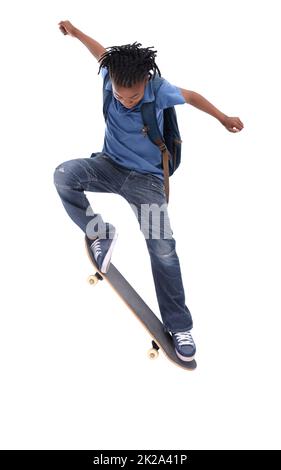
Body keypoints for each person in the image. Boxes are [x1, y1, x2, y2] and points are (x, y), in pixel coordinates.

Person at [54, 21, 244, 363]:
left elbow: (192, 96)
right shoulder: (110, 75)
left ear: (147, 84)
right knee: (65, 175)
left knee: (163, 248)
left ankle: (180, 326)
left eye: (135, 96)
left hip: (147, 182)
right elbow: (100, 53)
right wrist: (77, 33)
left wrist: (222, 117)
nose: (126, 101)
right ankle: (100, 232)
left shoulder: (159, 88)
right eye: (120, 95)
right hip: (108, 166)